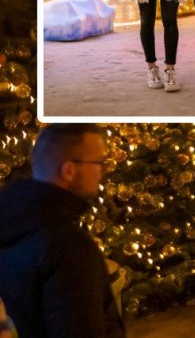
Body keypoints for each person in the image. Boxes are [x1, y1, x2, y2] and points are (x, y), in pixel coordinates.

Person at [0, 124, 125, 338]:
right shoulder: (67, 247)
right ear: (69, 170)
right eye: (99, 163)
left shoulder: (12, 220)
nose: (104, 170)